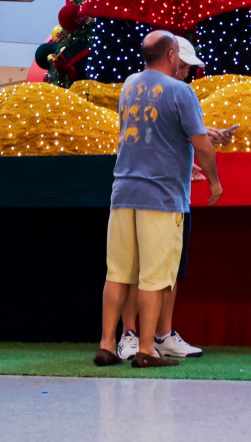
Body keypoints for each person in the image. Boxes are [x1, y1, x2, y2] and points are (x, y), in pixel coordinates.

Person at [94, 31, 220, 369]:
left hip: (123, 192)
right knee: (154, 275)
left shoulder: (129, 85)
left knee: (118, 272)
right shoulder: (182, 91)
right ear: (172, 53)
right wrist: (214, 181)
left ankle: (108, 343)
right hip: (162, 196)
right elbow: (202, 145)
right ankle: (147, 349)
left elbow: (151, 134)